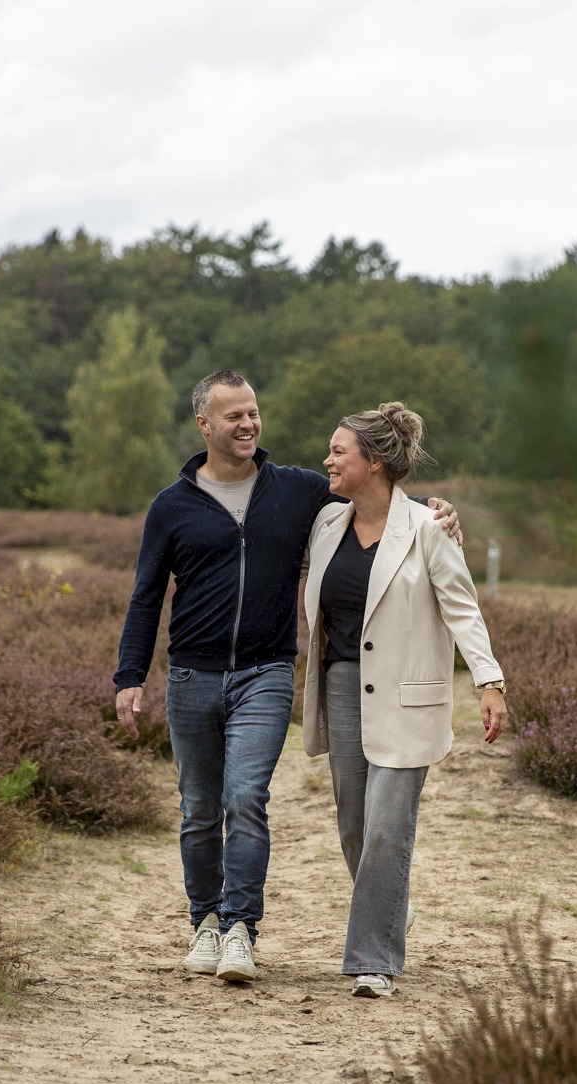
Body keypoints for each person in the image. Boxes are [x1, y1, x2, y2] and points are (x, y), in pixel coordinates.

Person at [114, 371, 460, 984]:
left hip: (266, 673)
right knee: (198, 809)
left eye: (253, 412)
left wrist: (437, 515)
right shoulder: (171, 506)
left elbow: (379, 503)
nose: (248, 424)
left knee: (246, 799)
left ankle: (241, 929)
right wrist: (130, 675)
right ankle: (206, 920)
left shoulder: (298, 491)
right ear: (204, 425)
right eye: (233, 416)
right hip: (192, 674)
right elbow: (146, 597)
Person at [302, 401, 507, 998]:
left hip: (407, 696)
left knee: (389, 827)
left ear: (374, 462)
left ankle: (374, 961)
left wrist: (488, 680)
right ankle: (392, 909)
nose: (328, 460)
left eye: (338, 451)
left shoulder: (428, 529)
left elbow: (463, 607)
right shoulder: (325, 524)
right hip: (342, 686)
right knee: (353, 828)